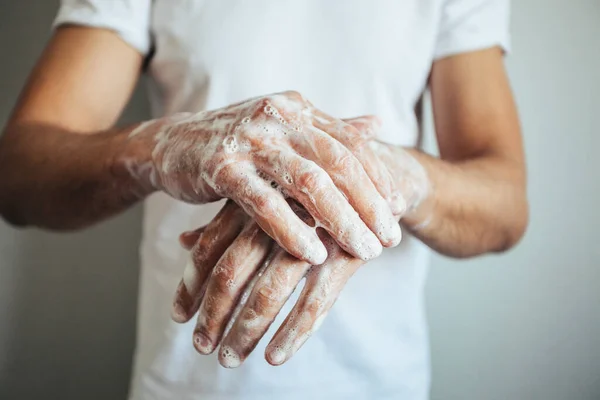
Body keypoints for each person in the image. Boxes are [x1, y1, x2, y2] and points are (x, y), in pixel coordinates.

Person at [0, 0, 528, 399]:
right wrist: (160, 147)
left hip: (379, 382)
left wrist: (385, 174)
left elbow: (505, 203)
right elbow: (19, 174)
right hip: (185, 383)